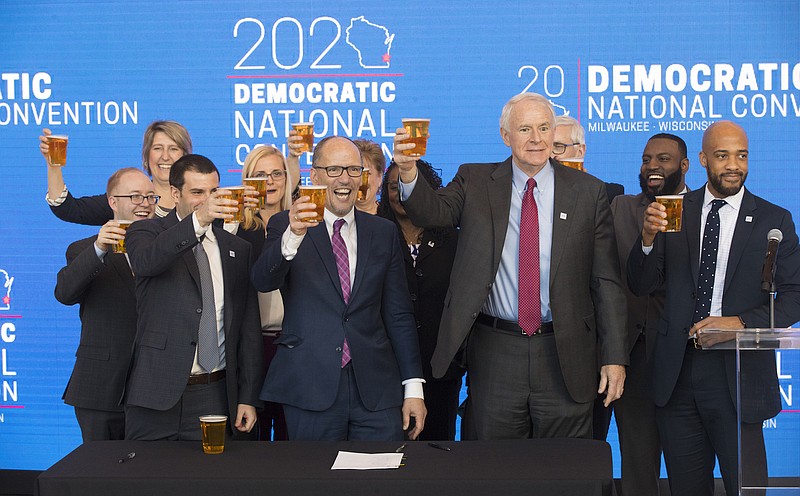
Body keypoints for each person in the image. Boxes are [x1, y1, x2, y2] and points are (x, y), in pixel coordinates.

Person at [394, 92, 628, 440]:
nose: (536, 138)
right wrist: (409, 170)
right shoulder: (474, 181)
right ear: (506, 136)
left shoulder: (589, 192)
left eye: (544, 128)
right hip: (496, 350)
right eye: (525, 129)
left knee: (564, 471)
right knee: (496, 468)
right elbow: (432, 213)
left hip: (565, 352)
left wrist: (614, 356)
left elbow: (606, 281)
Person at [627, 121, 800, 496]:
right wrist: (646, 240)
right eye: (722, 156)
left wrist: (738, 322)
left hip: (739, 375)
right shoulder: (674, 210)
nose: (733, 165)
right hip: (678, 374)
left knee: (748, 489)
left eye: (741, 155)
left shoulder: (774, 220)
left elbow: (794, 297)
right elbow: (641, 285)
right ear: (704, 159)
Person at [252, 136, 427, 441]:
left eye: (352, 170)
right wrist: (294, 235)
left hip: (376, 389)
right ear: (315, 175)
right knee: (315, 483)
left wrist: (413, 387)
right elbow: (264, 280)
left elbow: (398, 314)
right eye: (334, 170)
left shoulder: (383, 232)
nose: (345, 179)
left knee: (382, 481)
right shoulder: (286, 224)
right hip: (310, 385)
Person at [123, 154, 264, 441]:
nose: (208, 200)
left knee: (212, 483)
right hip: (155, 394)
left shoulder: (236, 248)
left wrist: (248, 396)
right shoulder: (145, 232)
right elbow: (147, 262)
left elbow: (248, 328)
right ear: (175, 194)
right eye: (197, 192)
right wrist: (198, 220)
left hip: (215, 393)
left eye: (213, 191)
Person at [609, 133, 690, 496]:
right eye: (646, 159)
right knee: (638, 463)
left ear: (685, 166)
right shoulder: (621, 207)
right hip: (632, 353)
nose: (652, 167)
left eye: (664, 159)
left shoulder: (704, 209)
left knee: (689, 462)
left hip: (684, 353)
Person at [54, 168, 157, 442]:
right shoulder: (83, 250)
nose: (144, 205)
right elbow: (64, 294)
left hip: (153, 392)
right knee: (98, 476)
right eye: (135, 197)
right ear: (113, 202)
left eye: (150, 197)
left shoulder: (164, 248)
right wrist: (99, 248)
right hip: (99, 388)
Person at [378, 159, 464, 440]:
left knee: (438, 455)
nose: (401, 194)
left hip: (442, 369)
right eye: (393, 187)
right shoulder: (375, 239)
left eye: (408, 186)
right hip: (388, 369)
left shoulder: (454, 241)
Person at [235, 144, 299, 441]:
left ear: (288, 179)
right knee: (250, 445)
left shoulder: (302, 224)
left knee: (292, 442)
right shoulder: (234, 229)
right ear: (247, 180)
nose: (269, 181)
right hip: (249, 349)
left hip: (293, 348)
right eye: (260, 175)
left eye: (276, 173)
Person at [41, 121, 192, 224]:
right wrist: (53, 165)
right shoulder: (124, 198)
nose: (165, 156)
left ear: (185, 156)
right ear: (146, 155)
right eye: (158, 148)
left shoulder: (198, 200)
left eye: (173, 149)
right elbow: (67, 209)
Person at [553, 115, 624, 204]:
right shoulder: (533, 193)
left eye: (558, 147)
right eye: (545, 147)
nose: (551, 155)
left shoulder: (607, 195)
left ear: (580, 151)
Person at [353, 139, 386, 214]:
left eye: (366, 174)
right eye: (355, 172)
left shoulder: (391, 218)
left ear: (380, 178)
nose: (361, 181)